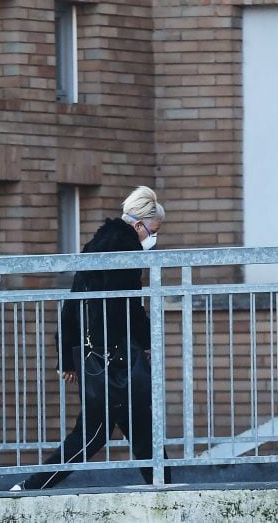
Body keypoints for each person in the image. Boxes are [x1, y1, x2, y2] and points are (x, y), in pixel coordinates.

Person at [12, 185, 170, 491]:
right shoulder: (126, 252)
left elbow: (73, 303)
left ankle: (165, 487)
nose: (153, 237)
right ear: (139, 225)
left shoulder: (97, 245)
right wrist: (146, 341)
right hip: (114, 357)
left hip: (97, 355)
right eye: (153, 229)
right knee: (97, 433)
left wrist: (65, 355)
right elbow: (128, 306)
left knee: (136, 429)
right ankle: (31, 487)